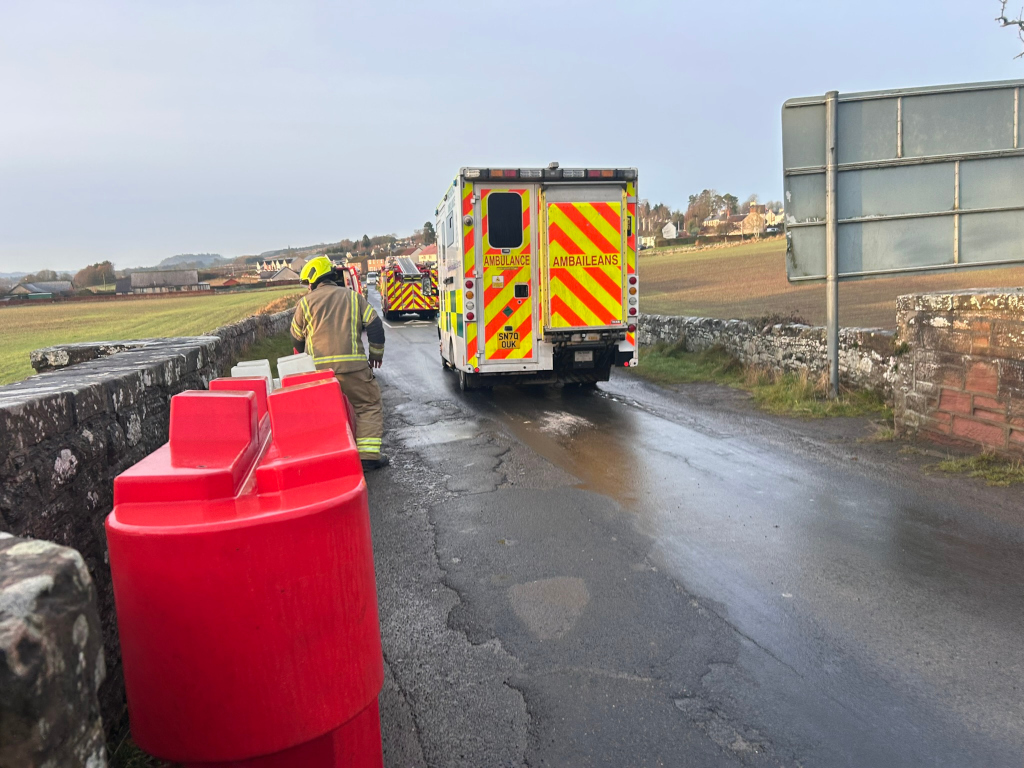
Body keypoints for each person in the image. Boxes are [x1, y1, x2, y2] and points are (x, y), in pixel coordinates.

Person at [291, 256, 389, 470]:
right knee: (368, 405)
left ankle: (327, 458)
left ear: (314, 280)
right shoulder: (354, 297)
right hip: (354, 368)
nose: (308, 287)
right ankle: (368, 456)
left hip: (319, 374)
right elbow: (375, 326)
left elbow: (296, 340)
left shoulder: (305, 303)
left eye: (308, 282)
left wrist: (301, 364)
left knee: (321, 413)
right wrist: (376, 355)